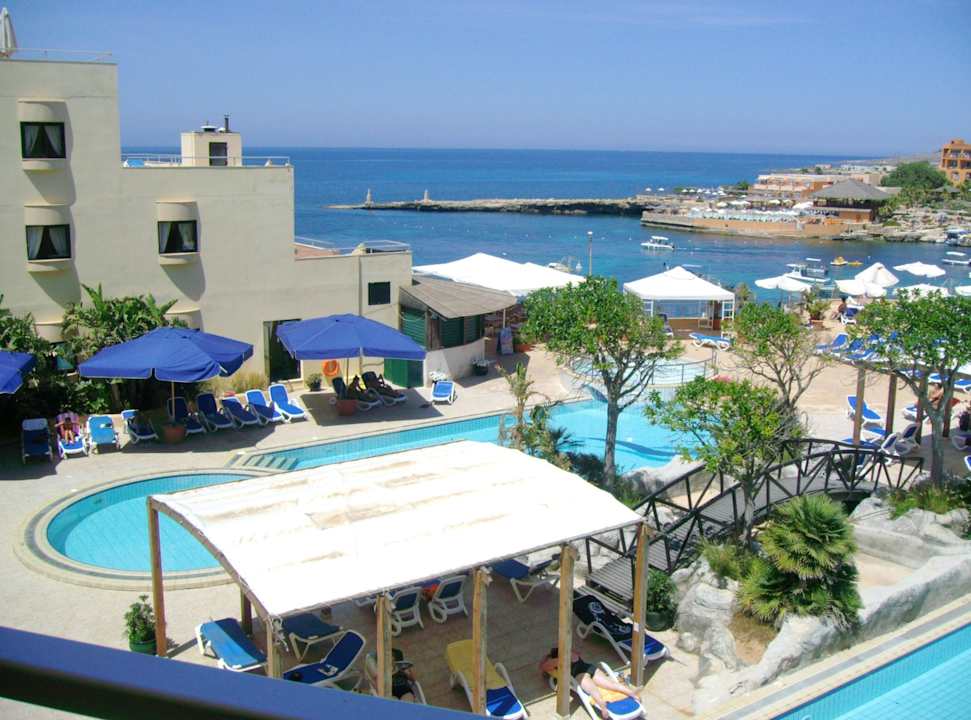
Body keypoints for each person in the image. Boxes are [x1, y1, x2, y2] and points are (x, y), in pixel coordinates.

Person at [539, 647, 639, 719]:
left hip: (579, 674)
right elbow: (578, 652)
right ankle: (632, 693)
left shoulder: (557, 660)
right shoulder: (572, 653)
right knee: (611, 684)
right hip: (590, 668)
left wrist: (547, 657)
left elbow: (542, 667)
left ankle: (603, 707)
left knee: (593, 691)